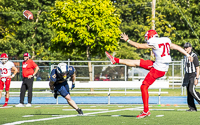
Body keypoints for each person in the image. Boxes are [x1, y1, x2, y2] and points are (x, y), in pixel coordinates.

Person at [105, 29, 193, 118]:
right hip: (159, 65)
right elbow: (177, 47)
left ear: (150, 36)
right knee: (137, 62)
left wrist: (127, 40)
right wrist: (188, 55)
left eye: (147, 37)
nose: (146, 39)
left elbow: (138, 46)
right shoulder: (165, 40)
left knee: (144, 86)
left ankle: (146, 111)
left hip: (158, 69)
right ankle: (115, 60)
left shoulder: (153, 42)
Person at [182, 42, 200, 112]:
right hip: (187, 75)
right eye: (184, 47)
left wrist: (197, 78)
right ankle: (192, 108)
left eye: (186, 47)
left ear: (190, 48)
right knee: (189, 92)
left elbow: (198, 68)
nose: (185, 49)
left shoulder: (194, 56)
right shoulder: (185, 56)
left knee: (191, 90)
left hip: (192, 75)